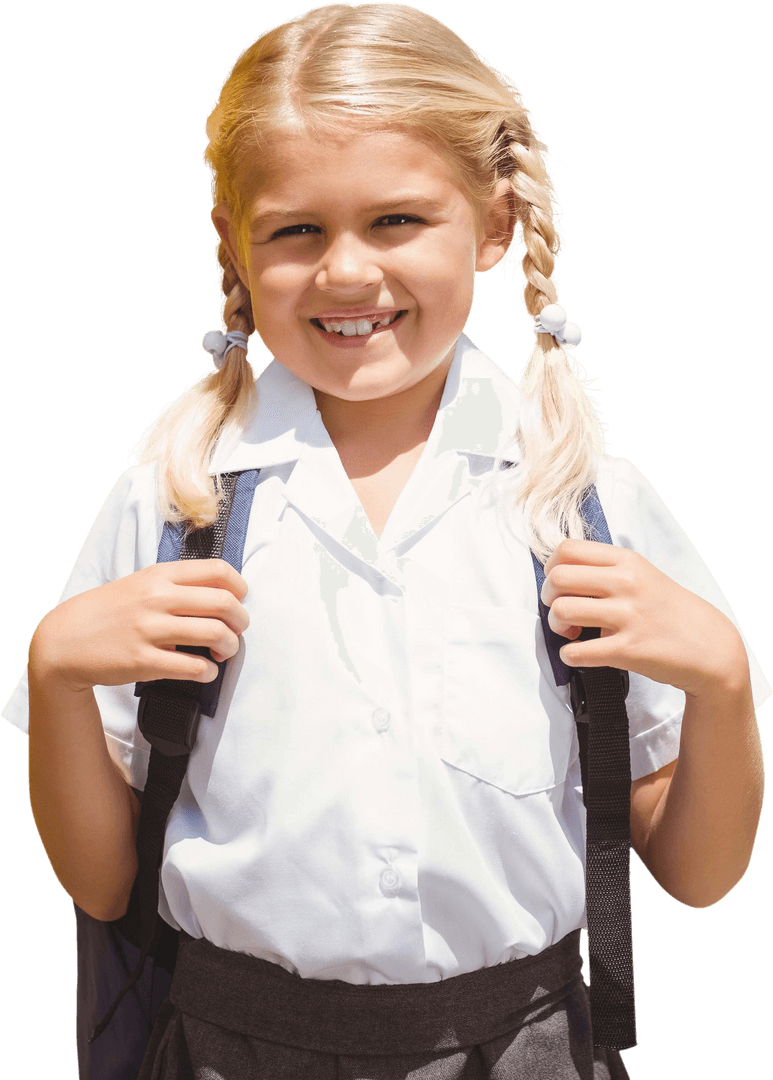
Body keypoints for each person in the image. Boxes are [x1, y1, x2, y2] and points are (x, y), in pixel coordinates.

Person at [2, 3, 768, 1078]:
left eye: (398, 221)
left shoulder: (581, 505)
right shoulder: (169, 507)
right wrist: (57, 671)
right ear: (232, 240)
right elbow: (101, 885)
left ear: (495, 224)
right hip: (227, 1051)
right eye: (296, 230)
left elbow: (696, 875)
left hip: (524, 1051)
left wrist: (721, 687)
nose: (347, 274)